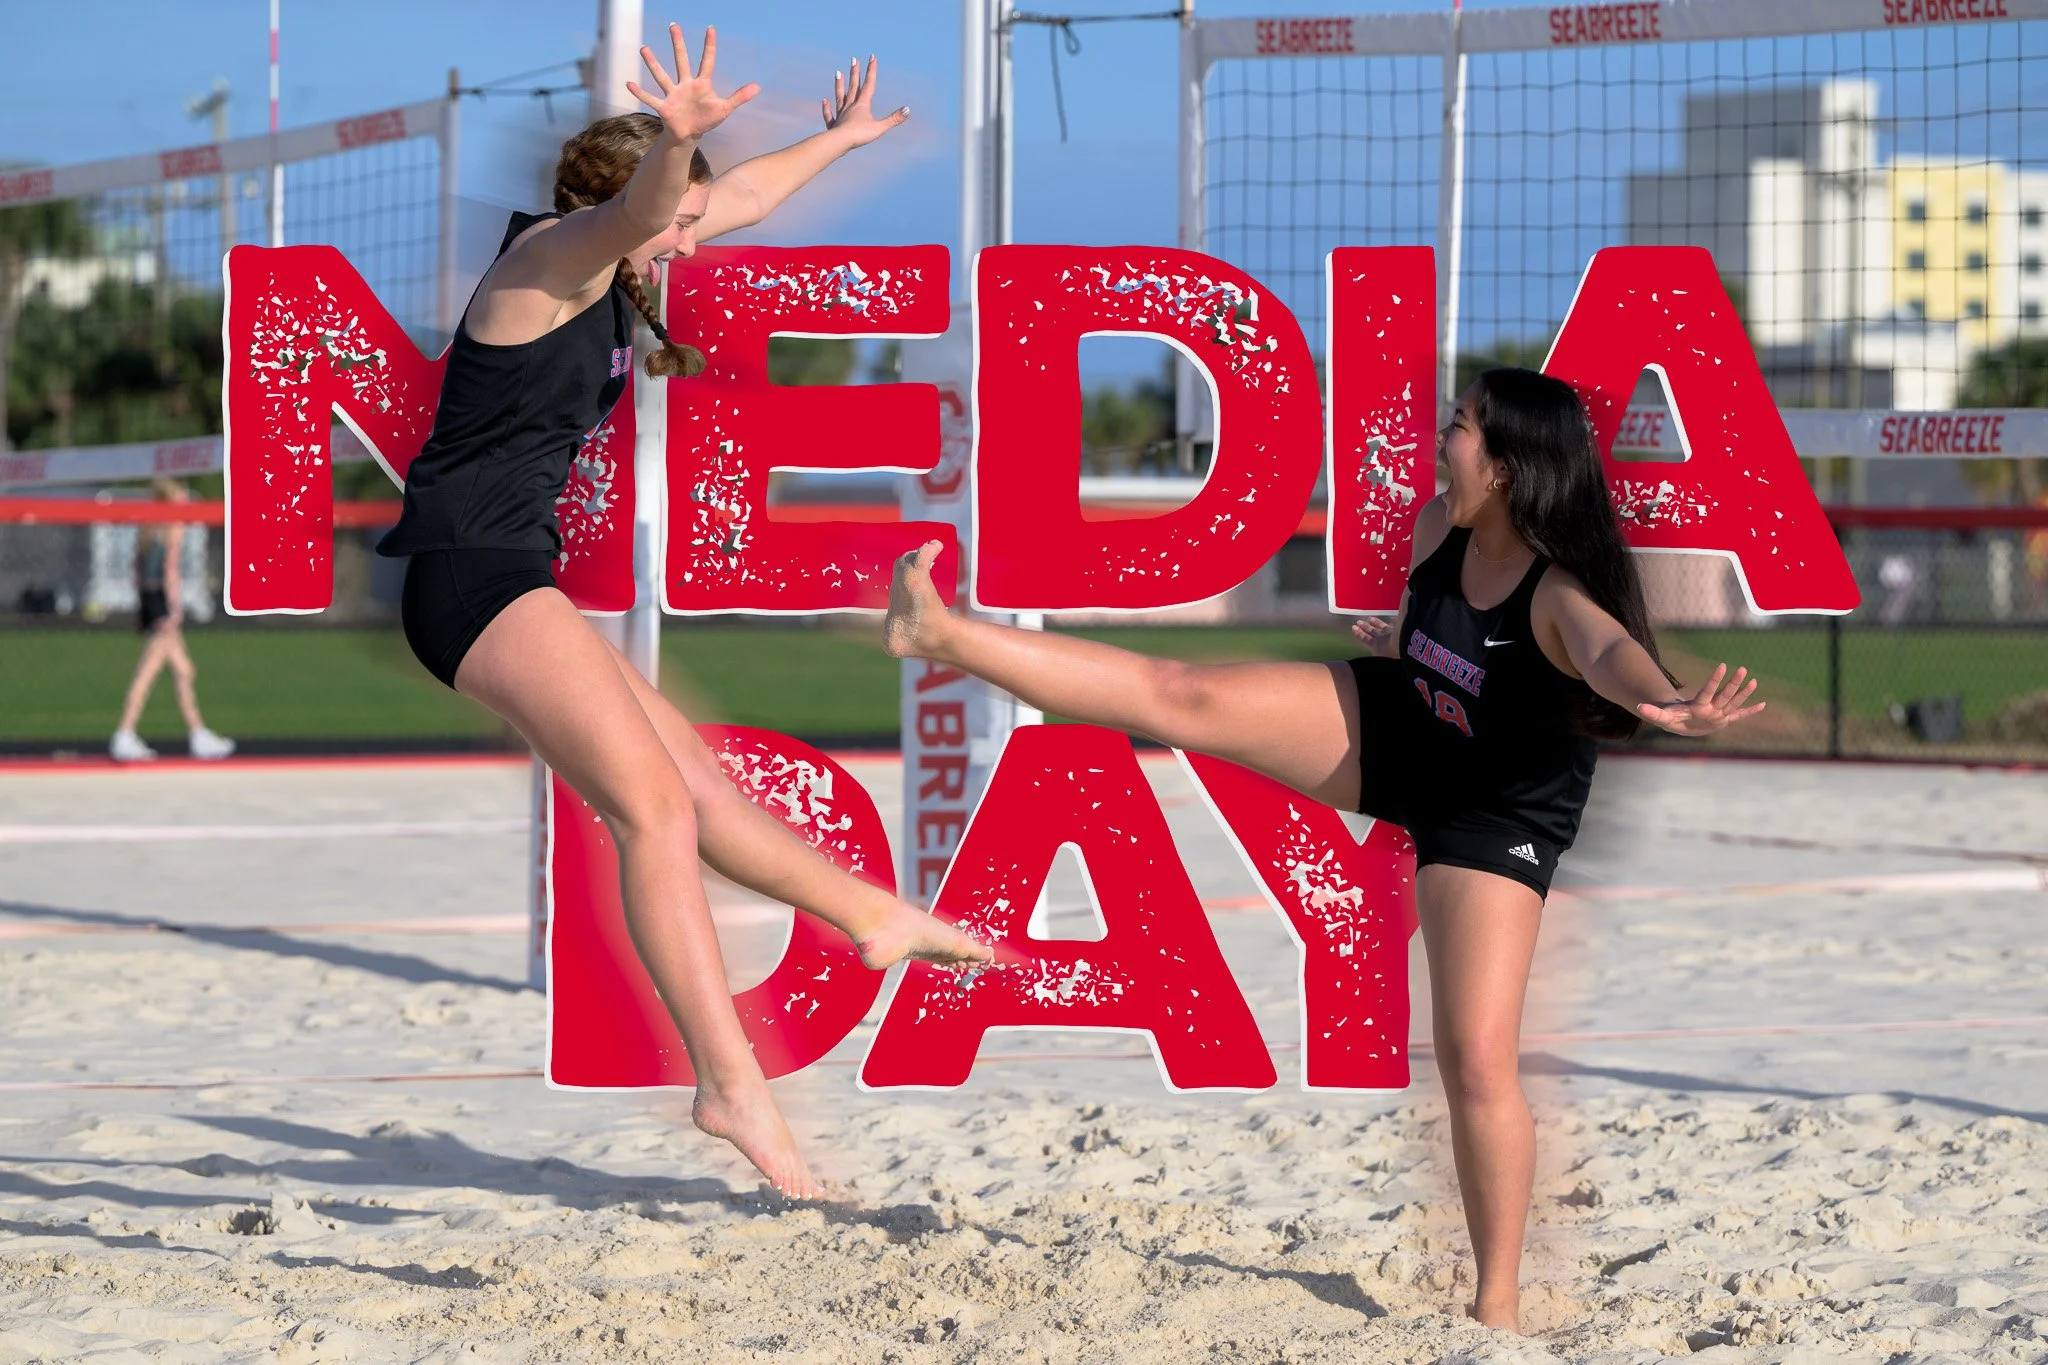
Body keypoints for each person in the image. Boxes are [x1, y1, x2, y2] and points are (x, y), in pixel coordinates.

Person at [881, 367, 1765, 1329]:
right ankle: (941, 632)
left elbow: (1602, 651)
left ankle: (1497, 1308)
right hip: (1406, 726)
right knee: (1186, 696)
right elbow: (1453, 640)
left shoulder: (1555, 591)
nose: (1442, 438)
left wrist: (1667, 698)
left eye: (1461, 428)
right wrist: (1408, 641)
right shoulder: (1441, 528)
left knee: (1474, 1058)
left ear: (1510, 465)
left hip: (1495, 810)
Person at [373, 26, 987, 1200]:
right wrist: (676, 142)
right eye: (681, 217)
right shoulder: (548, 263)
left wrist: (834, 142)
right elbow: (642, 208)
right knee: (653, 812)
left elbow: (729, 197)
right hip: (469, 578)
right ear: (631, 204)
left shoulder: (626, 265)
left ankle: (869, 917)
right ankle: (726, 1080)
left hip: (508, 577)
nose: (697, 236)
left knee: (697, 791)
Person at [110, 478, 236, 762]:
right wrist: (174, 608)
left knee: (184, 670)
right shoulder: (172, 526)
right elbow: (170, 569)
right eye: (182, 498)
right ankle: (125, 733)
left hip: (150, 599)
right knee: (149, 670)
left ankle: (198, 734)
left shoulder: (148, 528)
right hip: (162, 602)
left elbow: (138, 571)